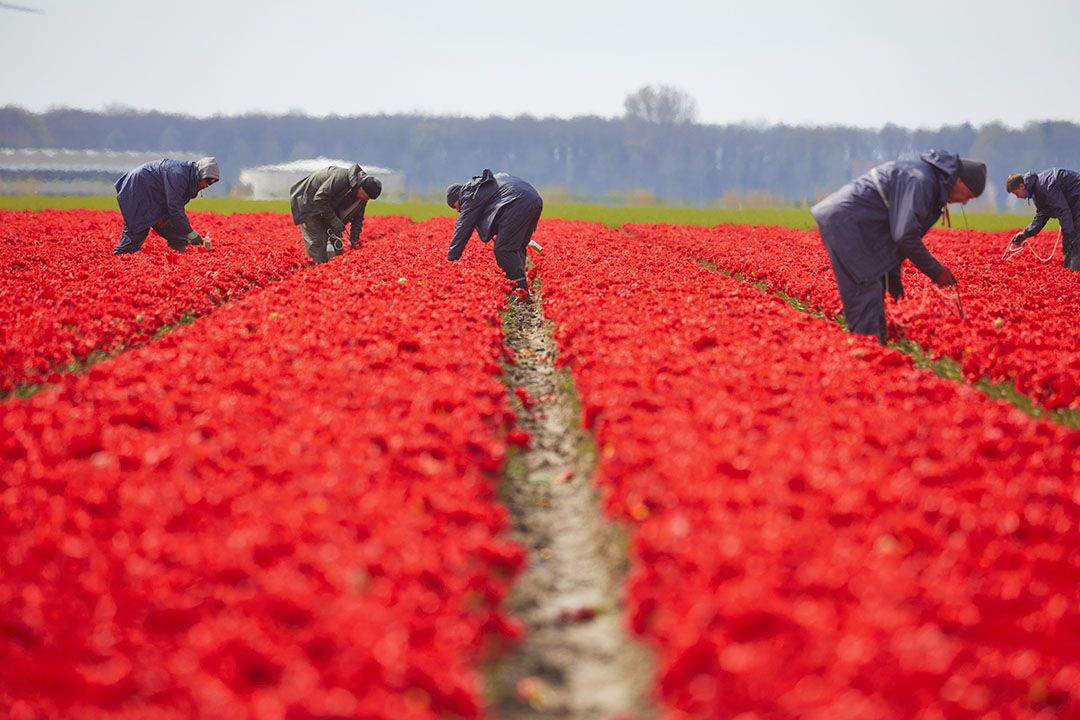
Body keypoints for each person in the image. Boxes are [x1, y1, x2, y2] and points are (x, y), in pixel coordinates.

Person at [810, 151, 986, 344]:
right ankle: (867, 357)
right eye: (968, 195)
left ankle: (873, 353)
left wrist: (893, 275)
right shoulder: (922, 181)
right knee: (865, 294)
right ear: (959, 181)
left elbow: (895, 231)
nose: (964, 202)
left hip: (856, 226)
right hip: (848, 225)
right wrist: (936, 271)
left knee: (872, 294)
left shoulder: (928, 180)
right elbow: (904, 235)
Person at [445, 169, 544, 298]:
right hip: (534, 199)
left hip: (517, 201)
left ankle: (520, 289)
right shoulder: (480, 187)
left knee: (503, 249)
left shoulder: (468, 195)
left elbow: (463, 227)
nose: (458, 211)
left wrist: (452, 258)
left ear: (456, 200)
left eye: (455, 207)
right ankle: (520, 287)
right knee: (517, 246)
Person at [113, 157, 220, 255]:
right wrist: (190, 233)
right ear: (200, 174)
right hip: (138, 189)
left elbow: (173, 210)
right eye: (208, 180)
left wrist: (186, 232)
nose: (207, 185)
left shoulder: (188, 177)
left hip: (155, 197)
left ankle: (179, 258)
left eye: (211, 183)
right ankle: (120, 260)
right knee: (137, 232)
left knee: (175, 232)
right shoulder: (179, 175)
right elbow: (175, 207)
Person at [289, 164, 382, 264]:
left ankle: (333, 272)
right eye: (365, 195)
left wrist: (354, 240)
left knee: (337, 245)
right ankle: (315, 271)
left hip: (328, 209)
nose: (365, 199)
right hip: (309, 202)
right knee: (318, 242)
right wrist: (334, 220)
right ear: (361, 186)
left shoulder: (362, 198)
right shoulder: (341, 178)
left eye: (368, 198)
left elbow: (358, 219)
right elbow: (320, 198)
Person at [1006, 169, 1080, 270]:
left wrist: (1069, 233)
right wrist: (1026, 233)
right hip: (1073, 204)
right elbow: (1043, 214)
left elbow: (1063, 210)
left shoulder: (1045, 186)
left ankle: (1074, 274)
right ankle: (1069, 272)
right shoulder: (1037, 192)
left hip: (1077, 198)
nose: (1018, 197)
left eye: (1016, 193)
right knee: (1069, 242)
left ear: (1021, 186)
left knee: (1075, 241)